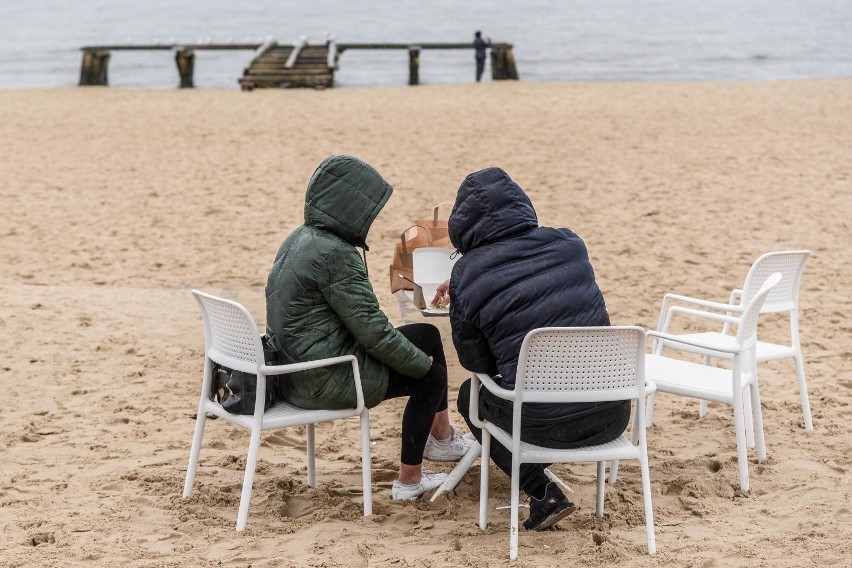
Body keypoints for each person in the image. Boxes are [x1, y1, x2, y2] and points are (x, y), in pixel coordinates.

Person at [433, 167, 631, 530]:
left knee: (470, 396)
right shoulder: (570, 244)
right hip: (612, 414)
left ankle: (541, 491)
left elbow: (474, 361)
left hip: (539, 427)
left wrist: (463, 298)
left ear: (463, 224)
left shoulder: (467, 273)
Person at [266, 155, 472, 501]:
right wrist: (421, 366)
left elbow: (364, 326)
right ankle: (409, 482)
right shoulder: (335, 254)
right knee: (431, 376)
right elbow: (373, 333)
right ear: (351, 207)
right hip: (324, 377)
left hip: (293, 369)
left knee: (428, 336)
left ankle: (442, 439)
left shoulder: (301, 238)